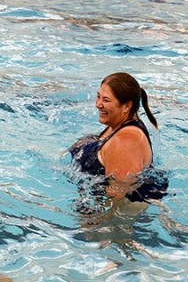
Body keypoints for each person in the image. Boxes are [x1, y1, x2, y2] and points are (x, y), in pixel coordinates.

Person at [68, 72, 168, 206]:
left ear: (127, 106)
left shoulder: (126, 141)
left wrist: (93, 224)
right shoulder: (116, 125)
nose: (98, 104)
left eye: (106, 100)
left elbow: (119, 200)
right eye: (98, 97)